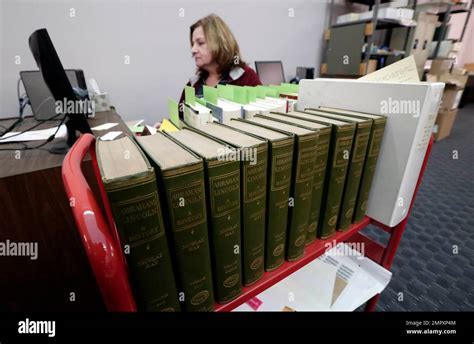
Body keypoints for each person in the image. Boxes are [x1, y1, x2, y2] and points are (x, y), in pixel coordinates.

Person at [178, 14, 261, 119]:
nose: (193, 50)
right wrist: (165, 127)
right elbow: (179, 120)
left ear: (219, 43)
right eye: (193, 44)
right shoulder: (193, 83)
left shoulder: (246, 78)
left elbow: (261, 121)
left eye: (200, 43)